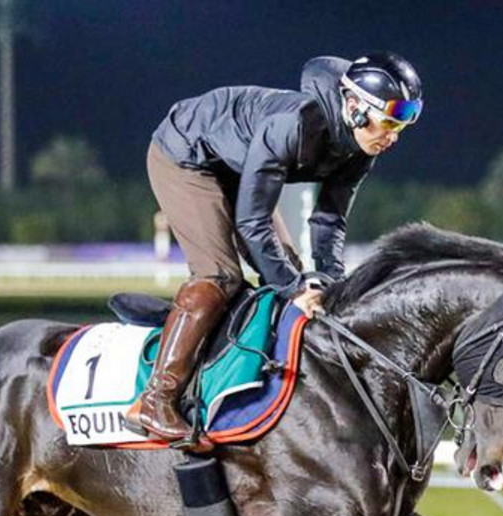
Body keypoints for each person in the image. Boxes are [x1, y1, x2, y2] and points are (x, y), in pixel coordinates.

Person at [126, 51, 424, 445]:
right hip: (186, 155)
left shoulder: (359, 149)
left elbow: (329, 221)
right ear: (354, 108)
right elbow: (252, 223)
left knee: (295, 274)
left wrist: (332, 289)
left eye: (402, 126)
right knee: (221, 276)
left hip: (236, 163)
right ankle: (154, 398)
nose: (393, 137)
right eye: (388, 122)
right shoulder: (294, 125)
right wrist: (295, 290)